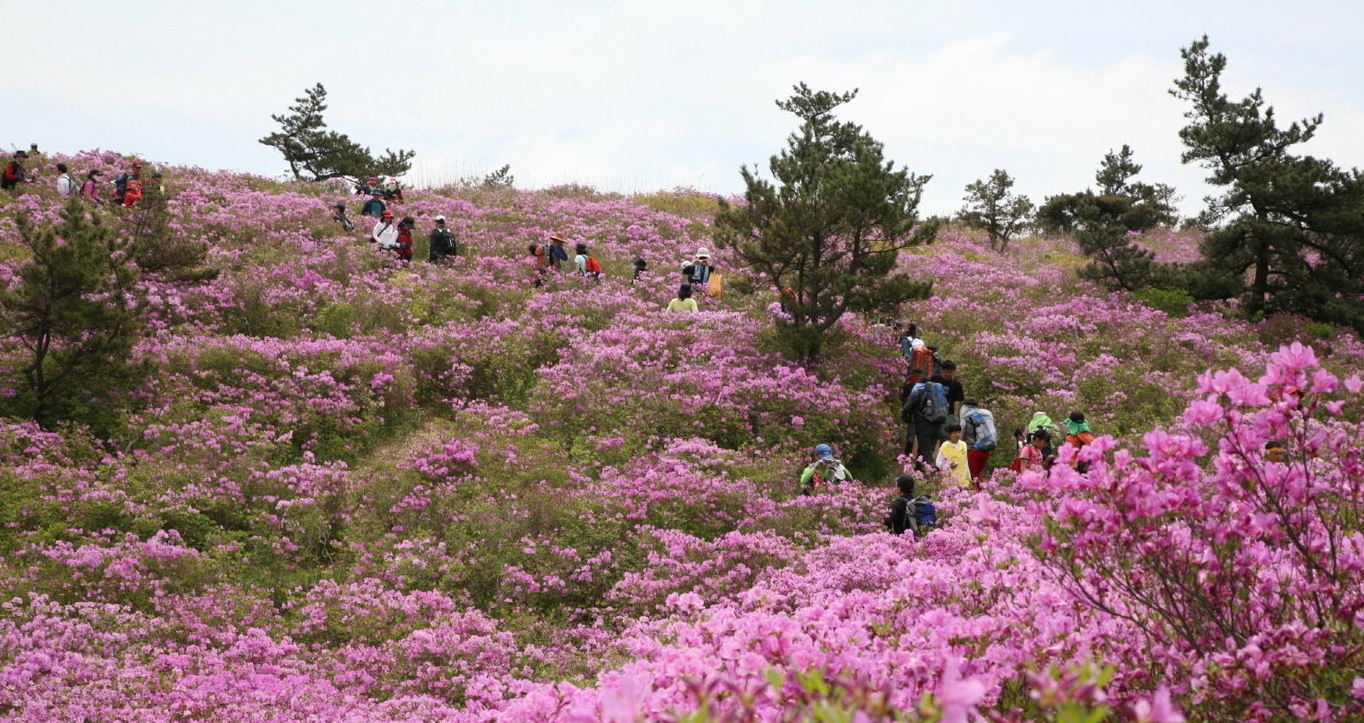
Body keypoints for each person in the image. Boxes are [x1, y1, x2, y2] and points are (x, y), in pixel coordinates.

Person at [901, 377, 949, 463]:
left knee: (925, 448)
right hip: (937, 422)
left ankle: (927, 471)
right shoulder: (938, 390)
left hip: (924, 422)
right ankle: (920, 467)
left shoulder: (919, 389)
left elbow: (909, 405)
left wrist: (904, 415)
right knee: (929, 447)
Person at [960, 400, 998, 484]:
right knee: (977, 476)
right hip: (985, 451)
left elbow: (960, 435)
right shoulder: (985, 414)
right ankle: (981, 495)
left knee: (972, 478)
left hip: (972, 451)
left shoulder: (966, 416)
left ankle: (977, 496)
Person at [935, 424, 971, 488]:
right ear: (949, 434)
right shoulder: (945, 445)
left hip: (964, 482)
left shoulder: (964, 444)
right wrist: (949, 466)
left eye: (959, 432)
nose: (957, 434)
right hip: (950, 482)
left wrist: (969, 478)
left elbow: (966, 462)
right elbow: (938, 462)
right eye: (954, 433)